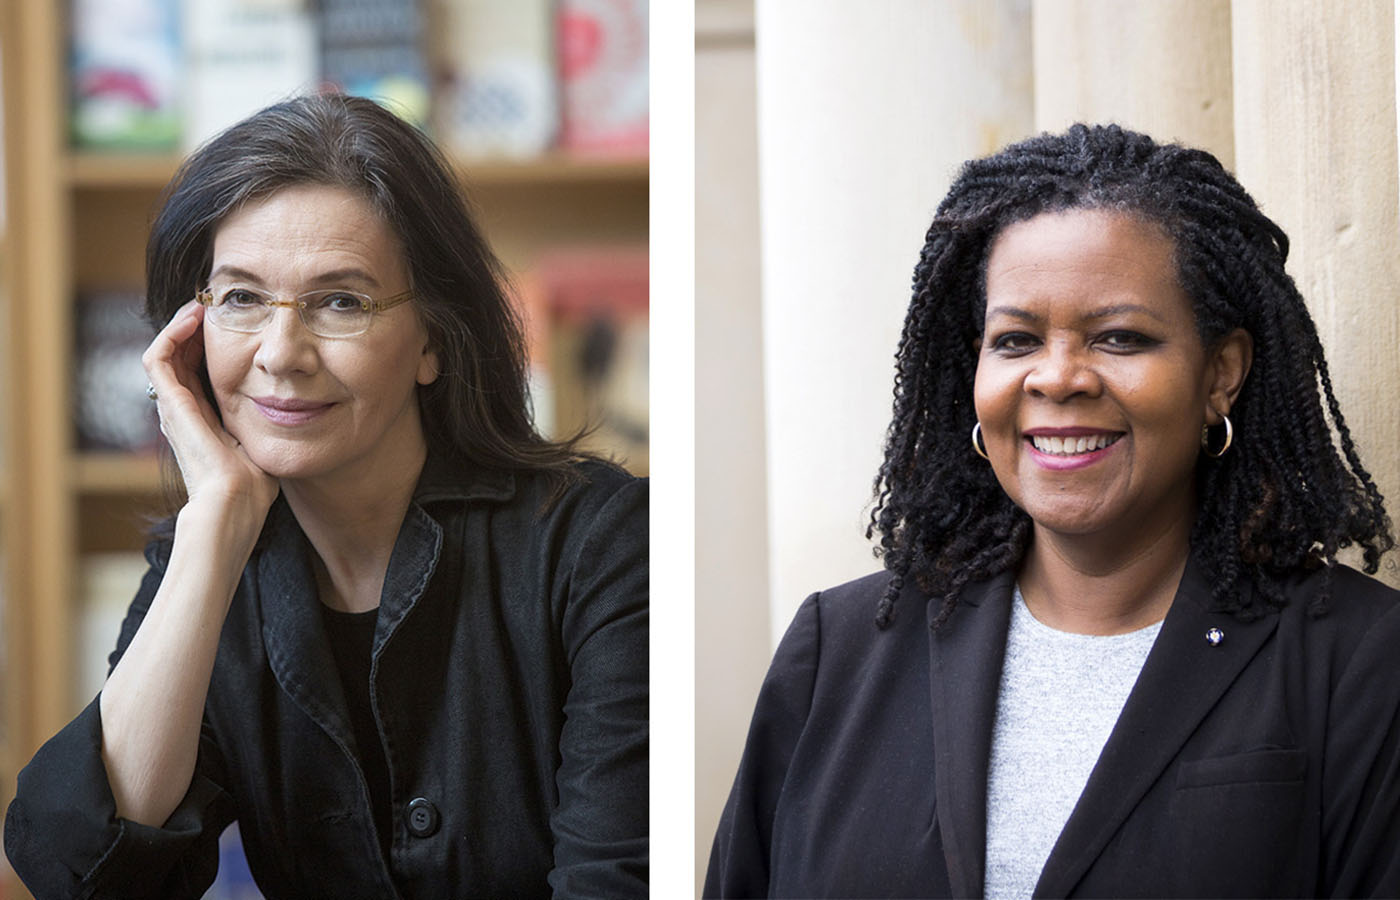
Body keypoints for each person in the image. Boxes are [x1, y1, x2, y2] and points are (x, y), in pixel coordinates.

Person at [705, 124, 1400, 898]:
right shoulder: (839, 652)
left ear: (1220, 375)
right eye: (1016, 340)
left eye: (1120, 338)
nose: (1058, 377)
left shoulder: (1359, 661)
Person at [4, 93, 648, 899]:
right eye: (239, 298)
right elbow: (85, 875)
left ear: (431, 341)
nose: (281, 353)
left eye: (340, 301)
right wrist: (210, 536)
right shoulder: (212, 561)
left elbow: (616, 882)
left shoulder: (601, 544)